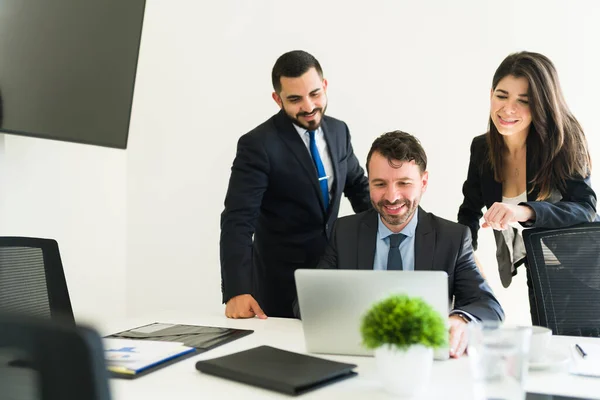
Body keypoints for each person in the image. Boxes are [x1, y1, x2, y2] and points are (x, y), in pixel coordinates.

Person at [304, 130, 504, 358]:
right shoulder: (344, 232)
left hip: (424, 361)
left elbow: (489, 306)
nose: (391, 196)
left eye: (404, 183)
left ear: (424, 182)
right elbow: (308, 302)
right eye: (379, 184)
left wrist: (460, 320)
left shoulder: (453, 238)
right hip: (357, 354)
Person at [220, 50, 371, 319]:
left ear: (324, 86)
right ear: (277, 99)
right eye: (295, 99)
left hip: (334, 277)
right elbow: (238, 220)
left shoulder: (339, 131)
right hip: (279, 287)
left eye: (315, 94)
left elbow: (359, 188)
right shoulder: (258, 145)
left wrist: (396, 235)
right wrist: (237, 290)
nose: (309, 106)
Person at [457, 51, 597, 323]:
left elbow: (585, 208)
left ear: (541, 105)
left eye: (524, 101)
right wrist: (466, 259)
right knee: (546, 349)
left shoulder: (565, 142)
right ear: (490, 94)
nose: (508, 109)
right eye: (501, 95)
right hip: (539, 270)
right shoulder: (482, 149)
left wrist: (525, 212)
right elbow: (469, 211)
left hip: (587, 269)